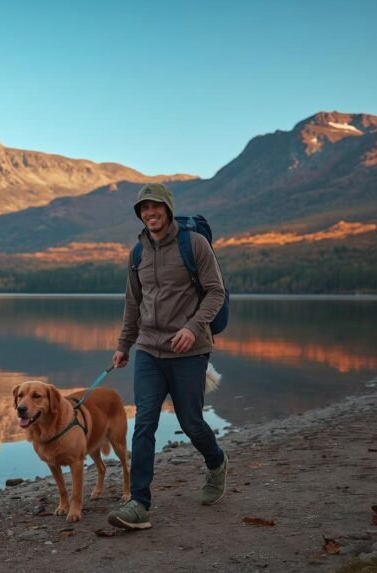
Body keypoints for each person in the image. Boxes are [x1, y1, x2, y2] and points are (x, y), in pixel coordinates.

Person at [106, 182, 228, 530]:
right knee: (145, 422)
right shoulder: (137, 253)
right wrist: (123, 346)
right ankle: (139, 504)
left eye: (155, 206)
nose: (150, 213)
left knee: (191, 423)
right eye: (144, 208)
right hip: (148, 349)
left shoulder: (194, 245)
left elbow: (215, 292)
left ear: (168, 209)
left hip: (190, 350)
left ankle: (217, 463)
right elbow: (133, 303)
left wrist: (192, 327)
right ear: (139, 214)